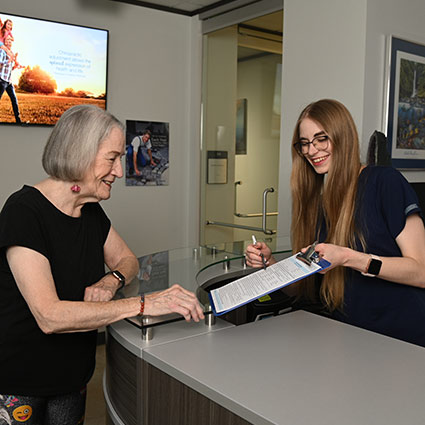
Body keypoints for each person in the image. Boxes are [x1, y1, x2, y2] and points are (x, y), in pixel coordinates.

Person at [0, 105, 204, 424]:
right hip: (20, 380)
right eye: (112, 158)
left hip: (73, 375)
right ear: (78, 154)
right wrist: (142, 304)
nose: (120, 172)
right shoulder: (24, 212)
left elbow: (127, 260)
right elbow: (49, 316)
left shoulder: (91, 212)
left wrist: (112, 280)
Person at [245, 98, 425, 347]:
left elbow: (421, 272)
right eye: (305, 143)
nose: (311, 150)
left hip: (402, 339)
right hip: (349, 337)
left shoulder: (385, 182)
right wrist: (271, 266)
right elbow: (302, 290)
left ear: (343, 136)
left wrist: (350, 258)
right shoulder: (318, 204)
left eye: (321, 139)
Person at [0, 35, 23, 124]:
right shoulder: (2, 51)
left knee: (14, 100)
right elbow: (0, 63)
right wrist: (9, 60)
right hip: (2, 80)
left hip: (9, 81)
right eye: (7, 40)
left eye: (10, 41)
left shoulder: (12, 53)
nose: (9, 42)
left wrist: (15, 66)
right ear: (4, 42)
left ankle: (18, 121)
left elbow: (10, 68)